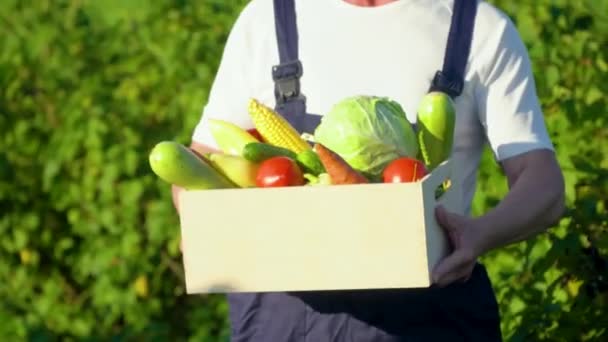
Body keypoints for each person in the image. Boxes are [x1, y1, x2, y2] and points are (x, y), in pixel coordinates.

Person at [172, 0, 566, 340]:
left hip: (430, 313)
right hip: (284, 316)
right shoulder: (269, 17)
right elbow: (203, 157)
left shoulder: (477, 26)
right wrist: (202, 221)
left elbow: (542, 182)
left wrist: (478, 235)